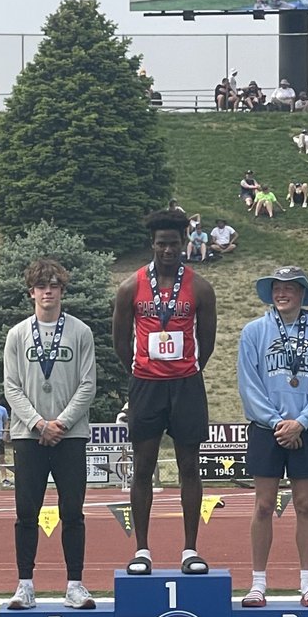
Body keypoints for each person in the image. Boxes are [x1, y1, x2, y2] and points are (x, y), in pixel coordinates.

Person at [113, 208, 217, 575]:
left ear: (184, 243)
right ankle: (142, 550)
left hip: (186, 384)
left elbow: (208, 341)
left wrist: (185, 369)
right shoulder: (131, 287)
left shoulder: (200, 288)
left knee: (190, 466)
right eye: (162, 245)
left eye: (174, 244)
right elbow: (120, 342)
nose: (168, 250)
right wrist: (142, 372)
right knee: (143, 466)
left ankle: (190, 549)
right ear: (152, 245)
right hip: (146, 385)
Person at [237, 266, 308, 607]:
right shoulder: (254, 331)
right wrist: (280, 423)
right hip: (267, 429)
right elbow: (248, 385)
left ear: (302, 294)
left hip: (305, 429)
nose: (282, 294)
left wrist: (302, 422)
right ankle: (258, 583)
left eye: (290, 289)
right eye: (277, 288)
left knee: (306, 505)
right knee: (263, 505)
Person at [4, 258, 97, 610]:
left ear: (62, 290)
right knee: (26, 511)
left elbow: (88, 385)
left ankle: (75, 583)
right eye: (41, 286)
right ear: (31, 292)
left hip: (70, 435)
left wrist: (61, 423)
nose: (48, 291)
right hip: (29, 435)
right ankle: (25, 584)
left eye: (54, 285)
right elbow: (11, 387)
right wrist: (38, 424)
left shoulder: (80, 332)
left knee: (72, 511)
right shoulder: (17, 334)